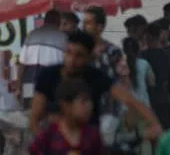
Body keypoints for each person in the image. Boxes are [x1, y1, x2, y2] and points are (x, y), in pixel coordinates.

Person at [29, 31, 162, 138]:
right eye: (68, 52)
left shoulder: (95, 76)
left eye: (79, 55)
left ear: (89, 58)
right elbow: (34, 118)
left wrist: (154, 123)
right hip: (55, 144)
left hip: (89, 145)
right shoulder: (48, 76)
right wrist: (44, 146)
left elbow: (129, 99)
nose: (71, 60)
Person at [141, 22, 170, 130]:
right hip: (167, 100)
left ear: (146, 37)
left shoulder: (141, 57)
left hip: (147, 101)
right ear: (159, 36)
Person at [18, 10, 68, 106]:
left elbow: (22, 63)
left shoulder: (32, 34)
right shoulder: (63, 38)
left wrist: (18, 85)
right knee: (48, 107)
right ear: (58, 22)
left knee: (28, 105)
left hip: (29, 77)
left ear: (45, 21)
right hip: (51, 79)